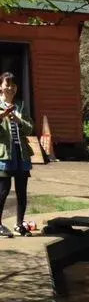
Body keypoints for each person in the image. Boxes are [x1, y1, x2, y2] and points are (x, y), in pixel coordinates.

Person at [0, 72, 34, 238]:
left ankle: (19, 224)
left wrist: (18, 120)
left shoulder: (21, 105)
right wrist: (3, 116)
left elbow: (30, 128)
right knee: (3, 190)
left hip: (21, 153)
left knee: (22, 191)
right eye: (7, 84)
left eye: (13, 85)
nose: (10, 88)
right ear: (1, 86)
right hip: (4, 154)